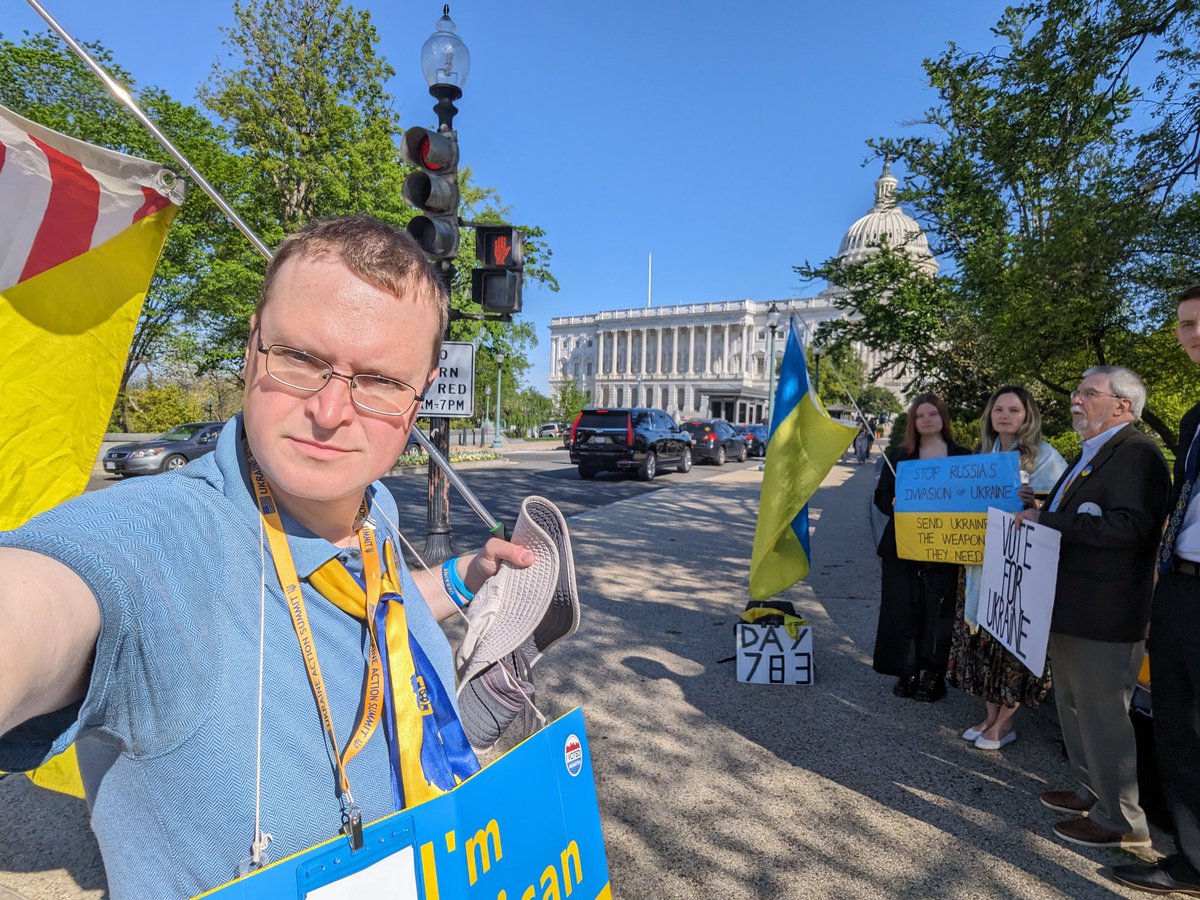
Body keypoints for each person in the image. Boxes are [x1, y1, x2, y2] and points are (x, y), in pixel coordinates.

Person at [0, 216, 537, 897]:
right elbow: (41, 605)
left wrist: (466, 578)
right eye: (302, 359)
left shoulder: (371, 503)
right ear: (254, 347)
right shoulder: (165, 540)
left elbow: (374, 601)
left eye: (378, 380)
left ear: (420, 395)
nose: (331, 410)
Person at [1015, 365, 1170, 850]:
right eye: (1078, 392)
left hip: (1104, 612)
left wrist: (1049, 519)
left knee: (1103, 713)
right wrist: (1041, 505)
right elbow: (1080, 513)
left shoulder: (1138, 454)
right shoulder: (1097, 453)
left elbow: (1131, 529)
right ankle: (1091, 792)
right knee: (1075, 705)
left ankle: (1122, 822)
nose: (1076, 401)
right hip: (1073, 606)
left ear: (1122, 405)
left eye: (1089, 393)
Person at [1113, 285, 1200, 895]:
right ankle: (1193, 859)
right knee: (1178, 730)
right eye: (1183, 325)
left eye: (1198, 323)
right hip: (1183, 588)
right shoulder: (1195, 418)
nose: (1189, 334)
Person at [947, 386, 1066, 750]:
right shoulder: (982, 456)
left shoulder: (1045, 458)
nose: (1005, 416)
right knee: (982, 643)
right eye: (998, 409)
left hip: (1019, 569)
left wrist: (1035, 502)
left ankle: (1004, 723)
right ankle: (988, 716)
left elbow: (1060, 508)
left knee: (1012, 646)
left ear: (1027, 416)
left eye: (1014, 409)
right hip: (980, 563)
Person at [872, 393, 971, 702]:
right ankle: (907, 670)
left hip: (944, 547)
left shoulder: (962, 457)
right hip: (902, 547)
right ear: (913, 421)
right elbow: (880, 496)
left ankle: (934, 674)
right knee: (902, 609)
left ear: (943, 418)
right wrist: (892, 503)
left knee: (938, 611)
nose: (926, 419)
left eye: (933, 413)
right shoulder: (898, 455)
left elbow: (971, 500)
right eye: (920, 415)